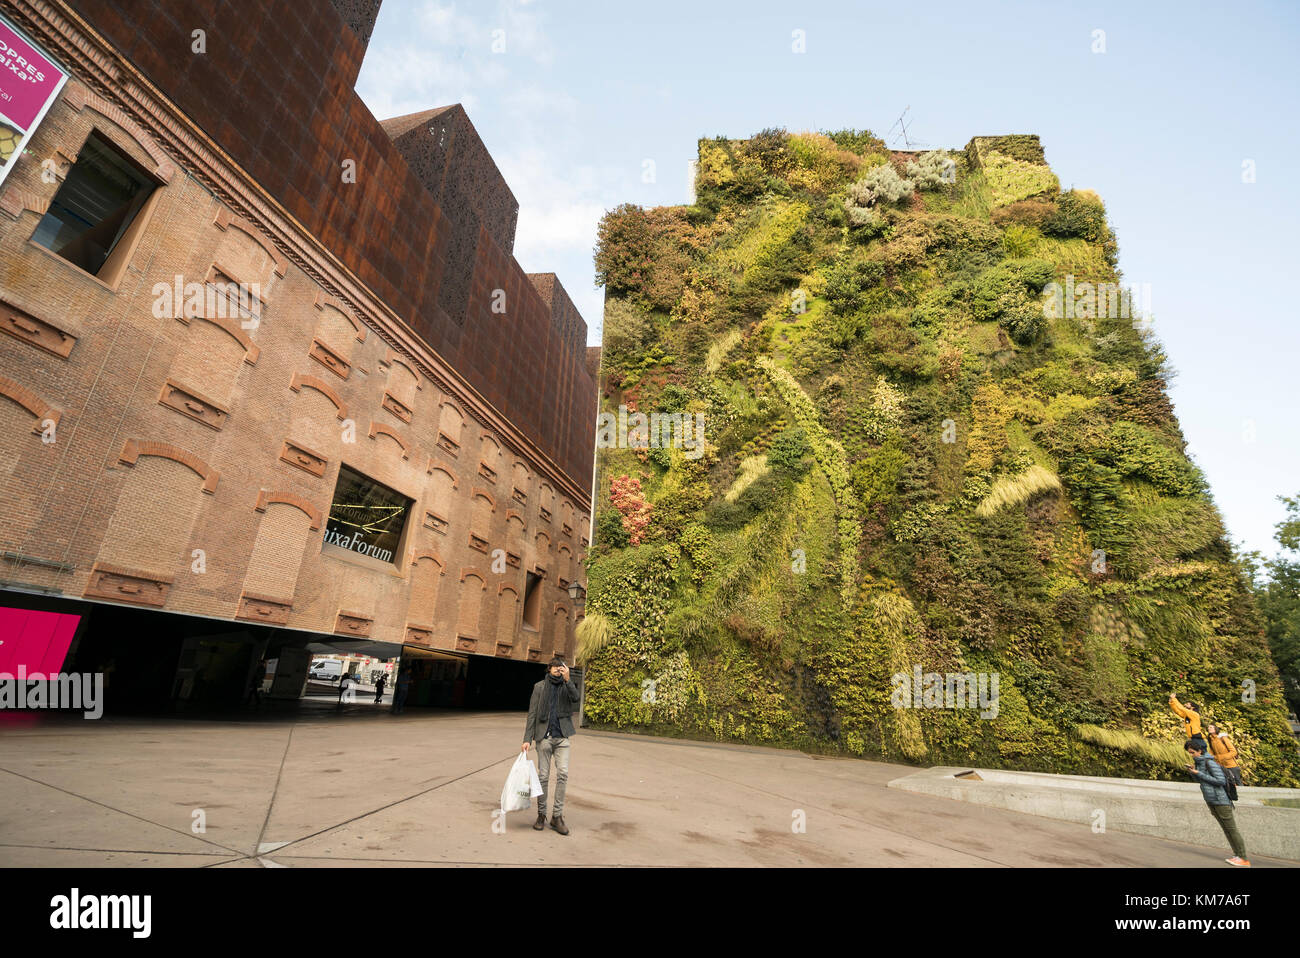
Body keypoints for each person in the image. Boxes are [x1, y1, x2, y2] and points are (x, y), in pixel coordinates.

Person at [522, 656, 580, 835]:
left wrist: (568, 680)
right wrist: (527, 738)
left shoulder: (566, 685)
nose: (558, 670)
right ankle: (541, 815)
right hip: (544, 738)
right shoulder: (539, 687)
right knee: (543, 777)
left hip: (562, 737)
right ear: (549, 669)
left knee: (563, 774)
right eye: (555, 667)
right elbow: (532, 713)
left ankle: (557, 816)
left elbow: (576, 698)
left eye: (561, 667)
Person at [1183, 739, 1249, 867]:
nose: (1191, 755)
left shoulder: (1209, 763)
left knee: (1231, 829)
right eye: (1189, 753)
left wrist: (1199, 773)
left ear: (1200, 751)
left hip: (1221, 801)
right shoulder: (1200, 763)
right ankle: (1237, 855)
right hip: (1212, 800)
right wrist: (1193, 772)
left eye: (1192, 752)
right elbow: (1201, 780)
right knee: (1226, 830)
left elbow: (1220, 781)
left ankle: (1244, 858)